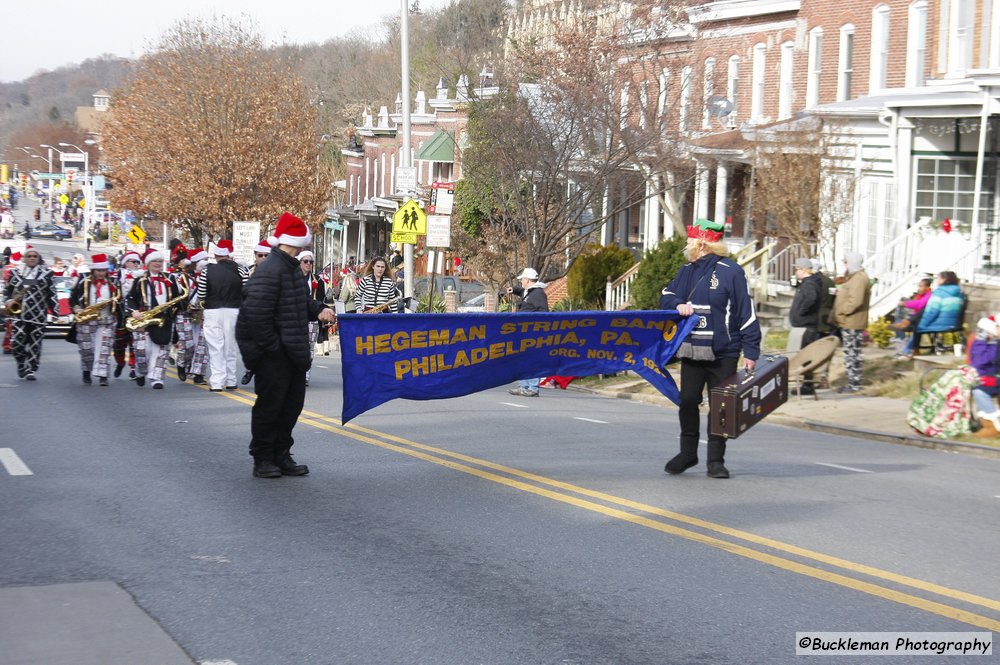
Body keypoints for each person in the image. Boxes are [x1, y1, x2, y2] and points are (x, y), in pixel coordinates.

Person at [659, 218, 761, 479]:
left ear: (701, 244)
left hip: (724, 352)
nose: (687, 246)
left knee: (721, 407)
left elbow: (745, 313)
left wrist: (751, 352)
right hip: (692, 351)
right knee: (688, 401)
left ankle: (716, 460)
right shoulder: (687, 270)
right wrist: (677, 303)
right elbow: (666, 295)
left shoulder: (732, 271)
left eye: (690, 242)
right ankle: (688, 453)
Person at [236, 212, 336, 478]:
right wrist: (273, 349)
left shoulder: (290, 267)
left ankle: (281, 455)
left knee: (290, 407)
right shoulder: (270, 270)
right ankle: (263, 458)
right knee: (270, 407)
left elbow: (300, 303)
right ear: (296, 241)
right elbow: (256, 316)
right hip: (275, 354)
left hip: (292, 352)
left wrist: (319, 310)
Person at [126, 251, 181, 389]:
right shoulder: (140, 280)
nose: (157, 263)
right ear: (148, 263)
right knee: (142, 352)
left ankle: (157, 379)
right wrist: (135, 312)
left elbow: (177, 299)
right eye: (154, 261)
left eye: (160, 261)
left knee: (162, 350)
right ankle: (140, 371)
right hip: (144, 319)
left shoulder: (170, 279)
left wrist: (172, 313)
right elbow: (130, 299)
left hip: (164, 319)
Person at [197, 240, 245, 392]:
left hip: (213, 310)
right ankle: (231, 380)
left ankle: (217, 382)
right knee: (230, 346)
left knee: (215, 347)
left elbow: (201, 294)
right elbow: (247, 291)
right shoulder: (241, 270)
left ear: (216, 255)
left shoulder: (207, 271)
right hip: (234, 311)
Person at [3, 248, 57, 380]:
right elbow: (7, 292)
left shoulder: (46, 274)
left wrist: (55, 311)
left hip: (38, 316)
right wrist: (8, 301)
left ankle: (31, 369)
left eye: (35, 256)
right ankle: (21, 364)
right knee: (16, 344)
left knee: (35, 344)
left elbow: (52, 294)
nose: (32, 258)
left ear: (38, 259)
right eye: (29, 256)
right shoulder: (15, 273)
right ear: (24, 258)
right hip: (19, 315)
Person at [69, 254, 120, 386]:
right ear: (93, 270)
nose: (101, 273)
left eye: (103, 270)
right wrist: (77, 309)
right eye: (99, 270)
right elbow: (73, 298)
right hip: (86, 320)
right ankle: (87, 370)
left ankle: (103, 376)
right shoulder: (83, 282)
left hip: (106, 320)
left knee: (104, 348)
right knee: (87, 349)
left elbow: (120, 300)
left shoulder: (112, 284)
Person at [898, 271, 964, 359]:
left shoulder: (939, 293)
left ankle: (911, 351)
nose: (937, 281)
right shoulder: (959, 292)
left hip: (942, 324)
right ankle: (909, 327)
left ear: (944, 280)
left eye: (938, 278)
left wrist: (923, 324)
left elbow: (932, 312)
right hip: (955, 323)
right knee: (920, 315)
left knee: (917, 326)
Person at [831, 252, 872, 393]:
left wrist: (841, 310)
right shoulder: (853, 277)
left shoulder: (859, 278)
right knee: (849, 353)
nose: (845, 264)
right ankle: (852, 382)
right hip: (848, 321)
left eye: (846, 262)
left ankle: (854, 384)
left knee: (852, 354)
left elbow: (856, 301)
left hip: (853, 322)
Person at [506, 267, 549, 397]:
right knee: (522, 359)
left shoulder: (538, 294)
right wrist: (514, 290)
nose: (521, 282)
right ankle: (524, 386)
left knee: (532, 360)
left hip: (533, 332)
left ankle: (533, 387)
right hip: (524, 331)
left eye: (523, 279)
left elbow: (543, 312)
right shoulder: (530, 292)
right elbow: (524, 294)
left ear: (528, 280)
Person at [789, 257, 824, 395]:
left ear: (803, 270)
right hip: (804, 324)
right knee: (804, 354)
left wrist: (801, 312)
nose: (796, 271)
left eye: (797, 269)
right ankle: (806, 384)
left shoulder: (810, 284)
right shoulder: (807, 282)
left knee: (806, 355)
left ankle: (807, 385)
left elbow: (811, 299)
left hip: (806, 325)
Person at [113, 252, 144, 379]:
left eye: (137, 262)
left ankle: (133, 367)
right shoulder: (118, 275)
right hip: (120, 314)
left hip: (135, 314)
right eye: (132, 261)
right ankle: (120, 363)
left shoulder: (142, 277)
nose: (135, 264)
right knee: (119, 343)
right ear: (125, 263)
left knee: (134, 342)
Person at [968, 316, 1000, 437]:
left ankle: (993, 425)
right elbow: (977, 362)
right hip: (992, 376)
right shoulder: (987, 343)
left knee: (979, 390)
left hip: (995, 378)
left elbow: (982, 361)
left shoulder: (994, 344)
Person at [298, 250, 324, 386]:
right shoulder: (293, 278)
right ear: (300, 262)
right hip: (297, 318)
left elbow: (321, 299)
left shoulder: (317, 280)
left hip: (312, 319)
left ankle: (305, 375)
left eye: (311, 262)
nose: (308, 264)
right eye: (305, 261)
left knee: (310, 348)